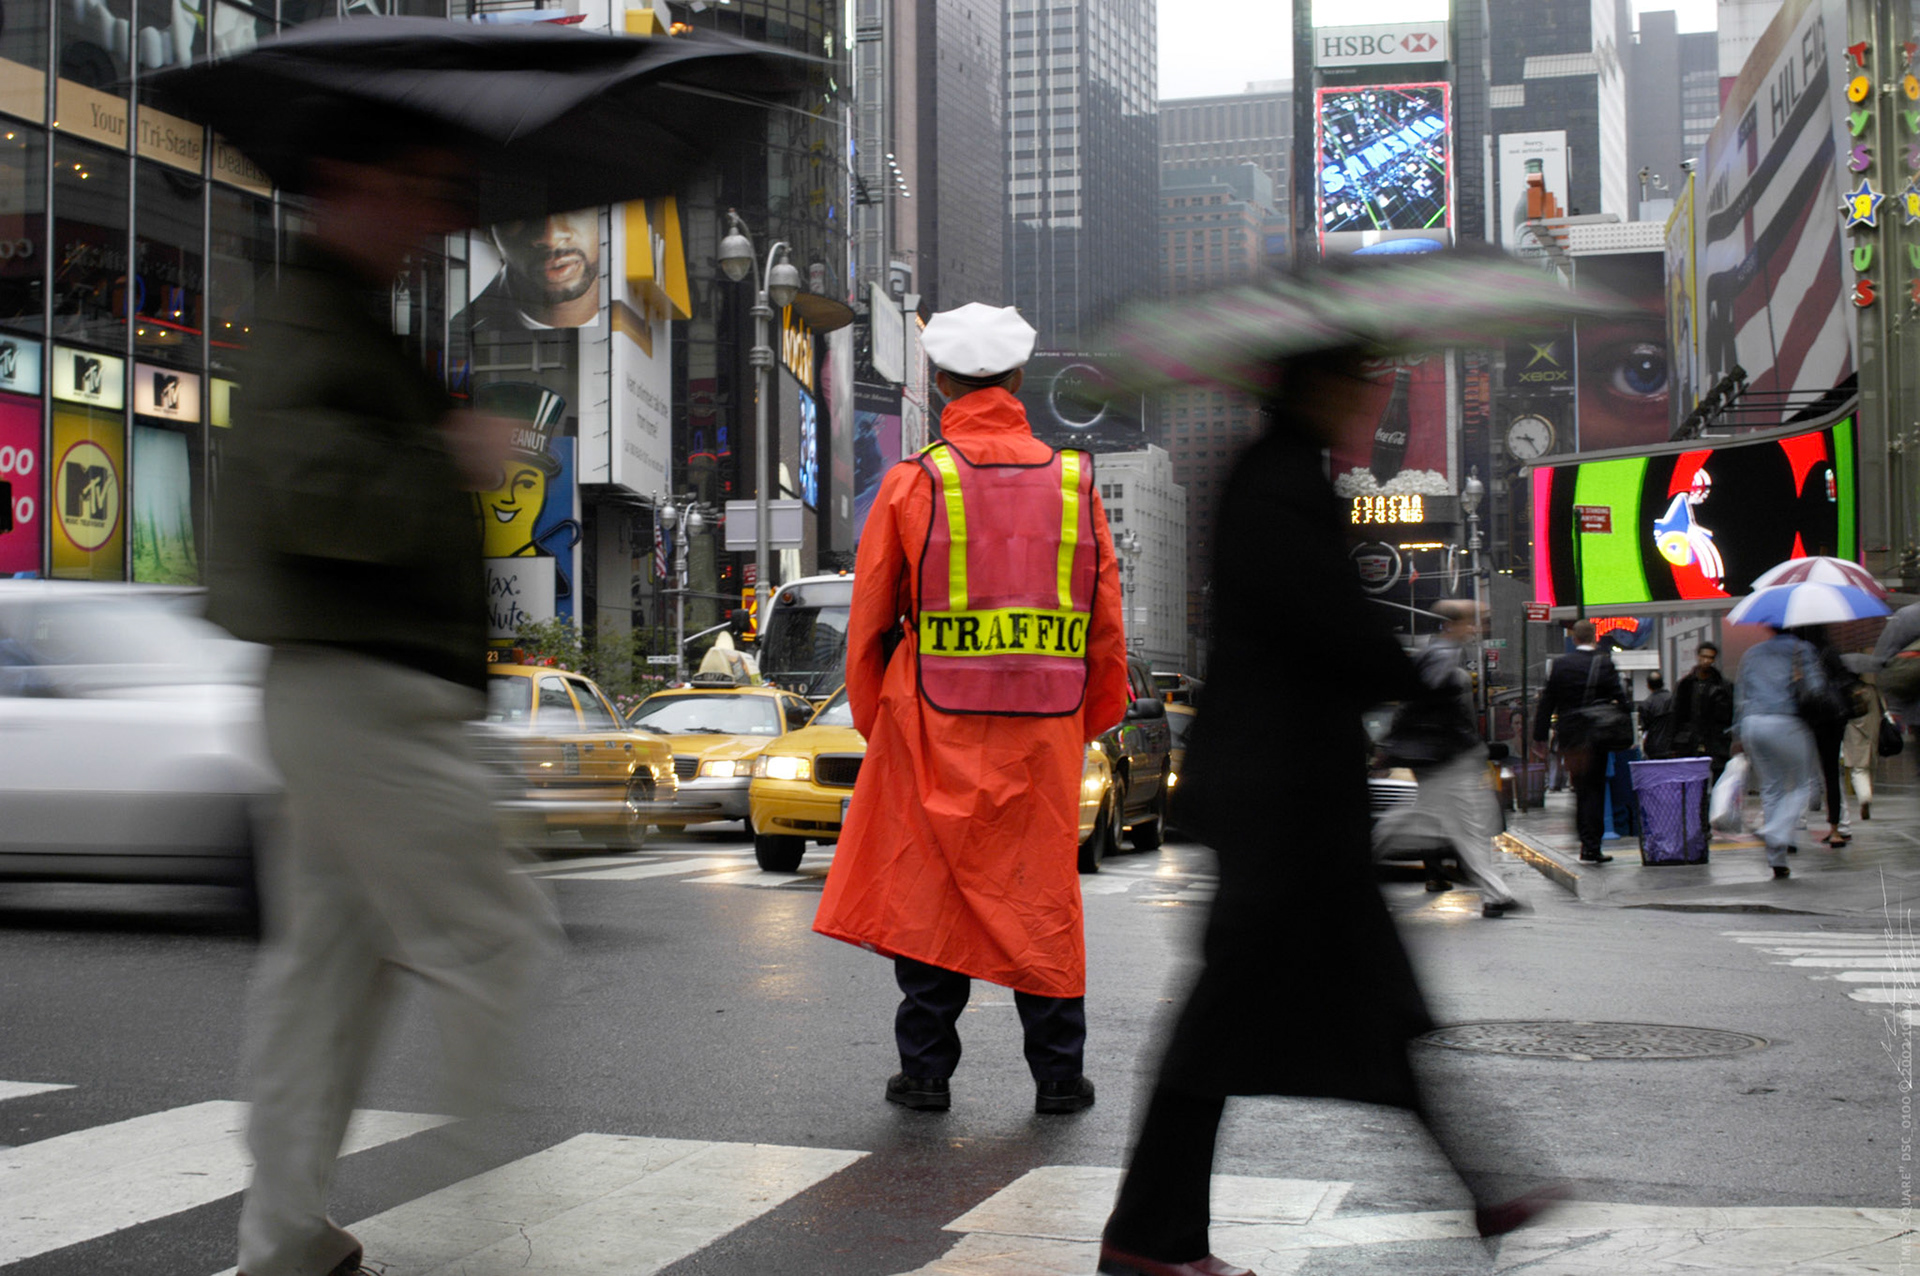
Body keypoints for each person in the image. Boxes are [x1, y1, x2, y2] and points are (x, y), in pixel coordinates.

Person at [1098, 350, 1557, 1276]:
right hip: (1283, 803)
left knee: (1358, 1007)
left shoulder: (1282, 475)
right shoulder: (1276, 484)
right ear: (1315, 387)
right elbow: (1329, 625)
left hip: (1290, 801)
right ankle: (1151, 1237)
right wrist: (1414, 676)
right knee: (1260, 1023)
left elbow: (1325, 624)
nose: (1372, 398)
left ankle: (1484, 1186)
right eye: (1358, 381)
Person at [207, 136, 560, 1276]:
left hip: (344, 681)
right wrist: (444, 451)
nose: (433, 219)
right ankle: (504, 1212)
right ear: (351, 180)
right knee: (495, 935)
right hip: (360, 685)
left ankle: (287, 1237)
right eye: (415, 187)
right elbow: (311, 497)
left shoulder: (345, 314)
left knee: (325, 977)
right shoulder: (314, 319)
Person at [812, 302, 1130, 1117]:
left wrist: (879, 722)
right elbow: (1104, 623)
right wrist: (1088, 717)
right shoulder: (1075, 480)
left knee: (931, 894)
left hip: (932, 724)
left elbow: (873, 617)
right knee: (1041, 895)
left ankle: (926, 1075)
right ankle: (1059, 1077)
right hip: (1045, 728)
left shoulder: (915, 480)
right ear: (1020, 379)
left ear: (940, 381)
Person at [1378, 600, 1518, 918]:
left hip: (1444, 757)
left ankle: (1497, 895)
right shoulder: (1441, 657)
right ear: (1452, 625)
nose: (1475, 629)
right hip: (1445, 758)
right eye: (1471, 622)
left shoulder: (1443, 655)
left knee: (1454, 823)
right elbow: (1419, 702)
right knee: (1457, 824)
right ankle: (1497, 895)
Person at [1532, 619, 1629, 864]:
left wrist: (1539, 736)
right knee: (1595, 789)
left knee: (1580, 787)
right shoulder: (1604, 662)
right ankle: (1591, 845)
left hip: (1571, 736)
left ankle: (1584, 836)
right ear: (1594, 637)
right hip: (1597, 735)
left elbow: (1547, 702)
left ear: (1574, 638)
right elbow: (1620, 697)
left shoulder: (1561, 664)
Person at [1735, 623, 1827, 879]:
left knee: (1771, 788)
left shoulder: (1751, 653)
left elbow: (1740, 694)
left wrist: (1736, 734)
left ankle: (1777, 859)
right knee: (1801, 785)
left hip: (1752, 725)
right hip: (1785, 722)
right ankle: (1774, 830)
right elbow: (1817, 689)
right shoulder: (1802, 649)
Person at [465, 210, 602, 330]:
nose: (551, 239)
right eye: (520, 213)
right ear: (487, 232)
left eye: (575, 207)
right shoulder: (459, 334)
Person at [1795, 625, 1856, 848]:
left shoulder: (1803, 654)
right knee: (1831, 774)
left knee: (1802, 773)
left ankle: (1798, 822)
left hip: (1812, 718)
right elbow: (1845, 682)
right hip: (1834, 718)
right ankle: (1839, 827)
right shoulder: (1831, 652)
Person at [1672, 641, 1734, 781]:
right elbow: (1677, 714)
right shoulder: (1685, 685)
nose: (1706, 661)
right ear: (1698, 656)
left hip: (1715, 740)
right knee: (1694, 781)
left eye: (1710, 658)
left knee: (1718, 777)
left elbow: (1729, 715)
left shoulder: (1724, 686)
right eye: (1704, 657)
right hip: (1691, 741)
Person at [1844, 672, 1885, 821]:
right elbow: (1882, 710)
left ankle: (1864, 798)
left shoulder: (1847, 693)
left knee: (1858, 770)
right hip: (1872, 733)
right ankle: (1868, 797)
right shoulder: (1872, 690)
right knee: (1871, 769)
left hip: (1854, 736)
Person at [1638, 672, 1675, 760]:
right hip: (1673, 745)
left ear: (1648, 686)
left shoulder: (1646, 704)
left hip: (1654, 747)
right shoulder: (1674, 699)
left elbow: (1643, 728)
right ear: (1663, 683)